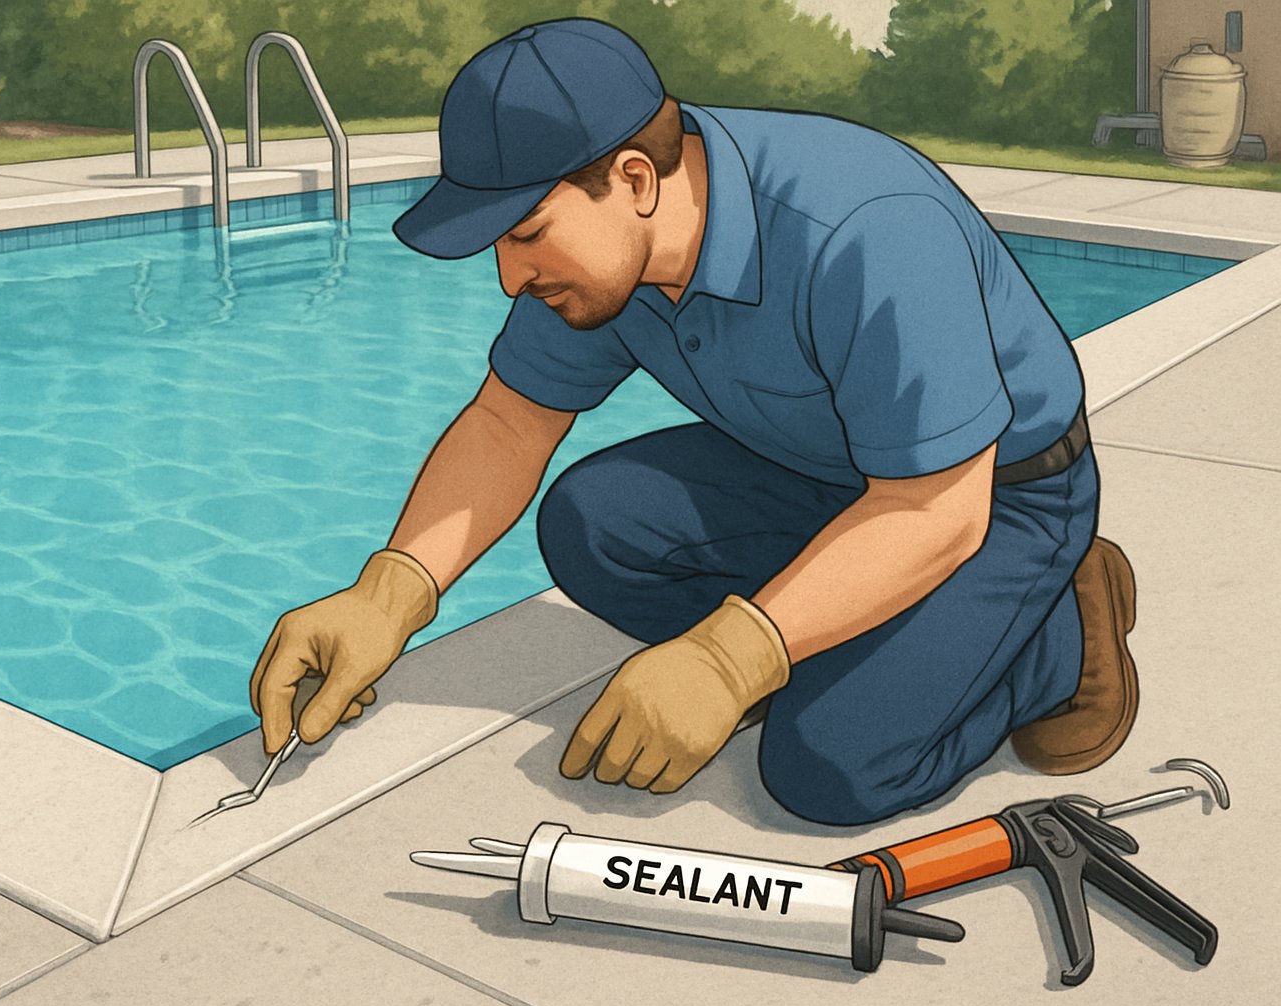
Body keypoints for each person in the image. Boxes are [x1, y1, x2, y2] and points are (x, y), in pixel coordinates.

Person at [248, 18, 1139, 826]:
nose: (511, 277)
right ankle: (856, 637)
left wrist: (730, 658)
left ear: (634, 178)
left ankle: (1059, 633)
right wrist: (388, 595)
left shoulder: (868, 226)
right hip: (822, 472)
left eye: (526, 232)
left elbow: (938, 508)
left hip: (995, 497)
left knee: (826, 767)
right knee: (591, 526)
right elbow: (510, 423)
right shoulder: (607, 255)